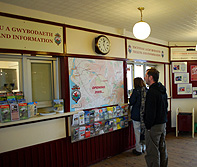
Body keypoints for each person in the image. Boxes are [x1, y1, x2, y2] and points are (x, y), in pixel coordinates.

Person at [144, 68, 168, 167]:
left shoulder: (152, 92)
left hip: (154, 126)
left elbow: (150, 111)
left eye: (146, 76)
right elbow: (166, 106)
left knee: (152, 151)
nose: (144, 78)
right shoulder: (162, 90)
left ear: (151, 77)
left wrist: (148, 126)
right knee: (162, 148)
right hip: (162, 124)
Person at [129, 77, 146, 156]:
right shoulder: (146, 91)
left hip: (136, 115)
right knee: (144, 132)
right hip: (144, 116)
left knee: (137, 133)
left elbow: (132, 102)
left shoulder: (136, 91)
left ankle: (138, 149)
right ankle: (144, 147)